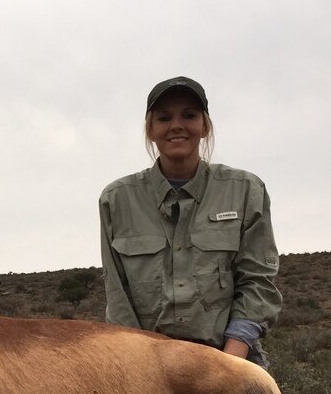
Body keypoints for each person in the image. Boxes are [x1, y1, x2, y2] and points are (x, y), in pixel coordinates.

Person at [98, 77, 281, 367]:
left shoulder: (246, 190)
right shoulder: (116, 200)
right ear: (151, 130)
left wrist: (229, 363)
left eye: (189, 115)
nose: (177, 125)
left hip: (229, 356)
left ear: (204, 126)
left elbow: (258, 280)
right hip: (145, 362)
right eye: (164, 118)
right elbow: (117, 293)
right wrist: (141, 366)